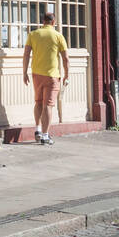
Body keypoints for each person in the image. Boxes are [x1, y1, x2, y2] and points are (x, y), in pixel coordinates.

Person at [23, 9, 69, 145]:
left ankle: (37, 129)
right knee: (48, 106)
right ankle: (45, 135)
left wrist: (24, 72)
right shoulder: (58, 36)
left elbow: (26, 55)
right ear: (53, 22)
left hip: (36, 74)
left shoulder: (33, 34)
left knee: (38, 102)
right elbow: (65, 58)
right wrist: (67, 74)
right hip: (52, 75)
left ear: (43, 21)